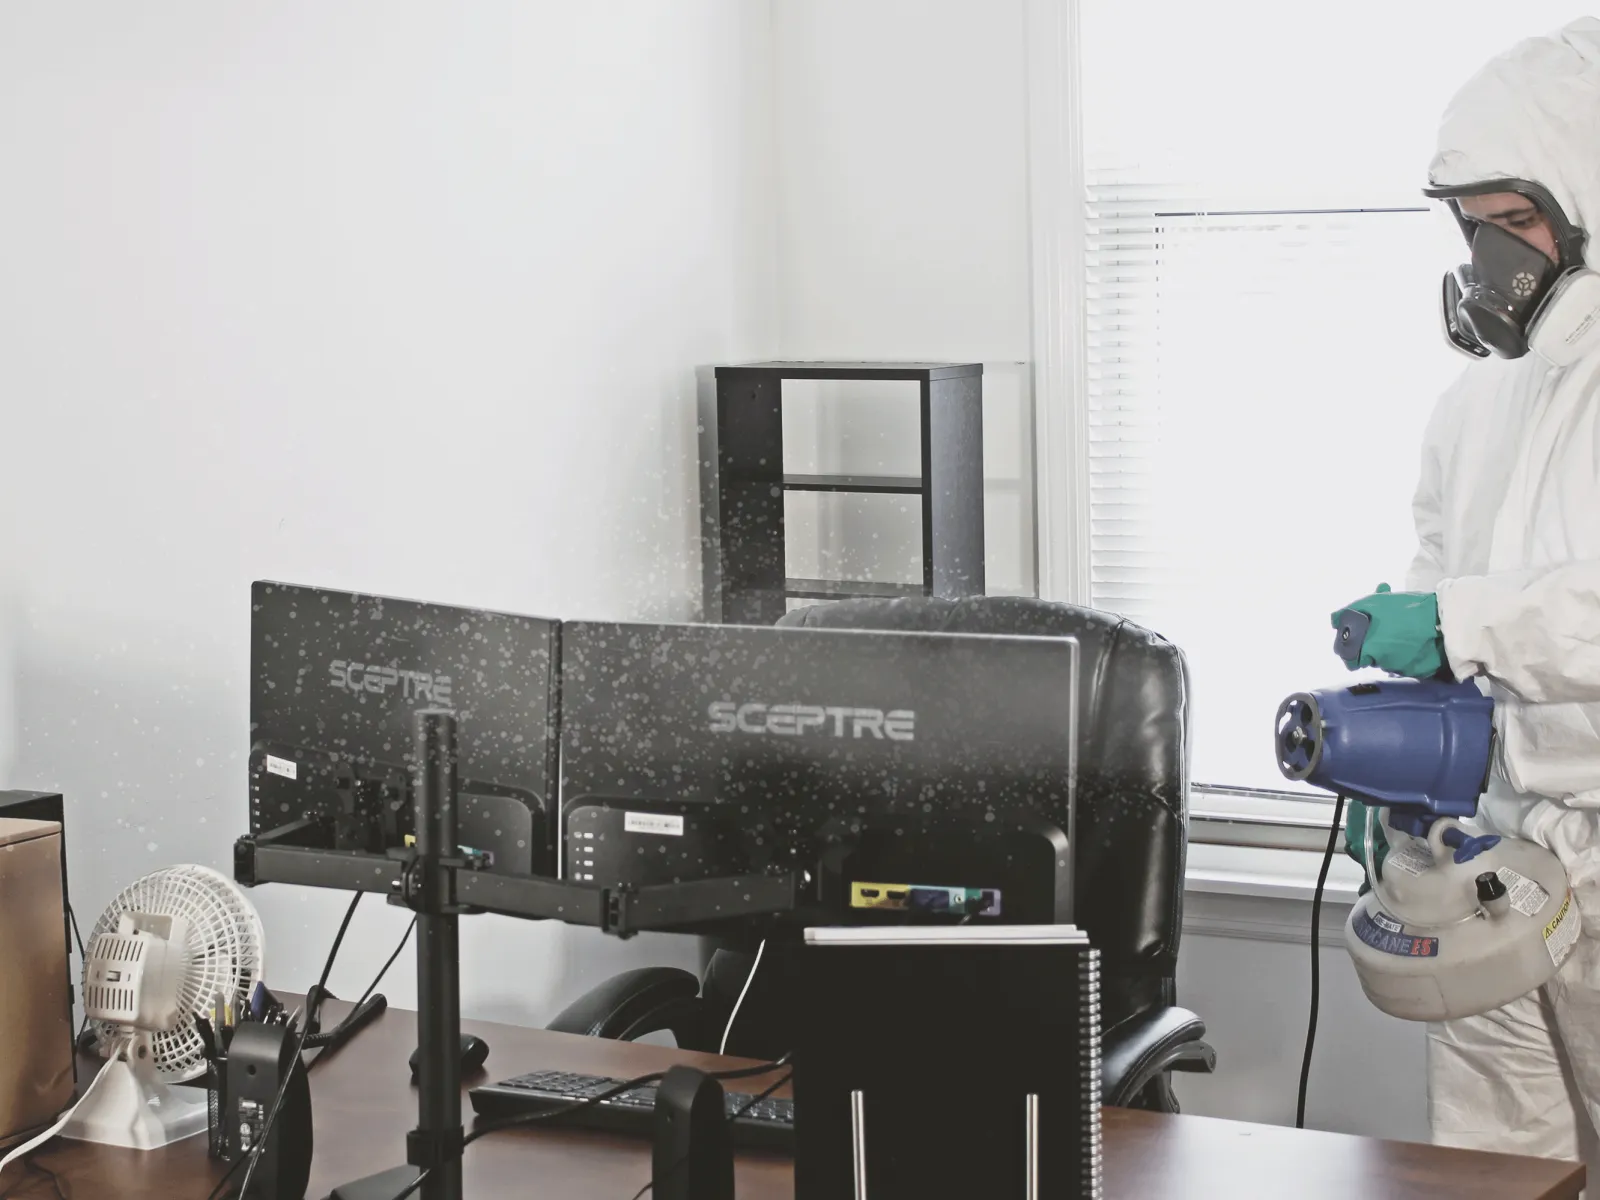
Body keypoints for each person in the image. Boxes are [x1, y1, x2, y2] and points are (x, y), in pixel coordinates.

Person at [1332, 17, 1600, 1170]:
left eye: (1518, 220)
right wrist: (1396, 763)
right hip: (1489, 849)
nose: (1495, 255)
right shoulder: (1478, 399)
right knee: (1493, 1162)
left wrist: (1454, 622)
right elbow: (1436, 583)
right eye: (1474, 226)